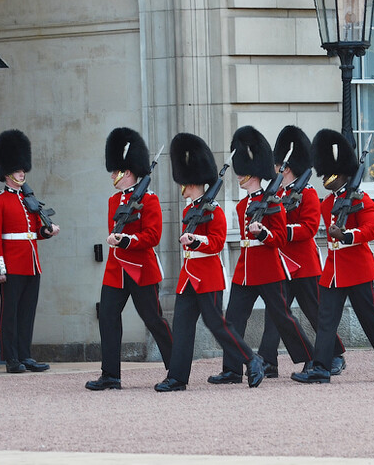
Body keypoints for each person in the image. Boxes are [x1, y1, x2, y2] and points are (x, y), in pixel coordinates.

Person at [154, 133, 264, 392]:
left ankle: (251, 358)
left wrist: (195, 240)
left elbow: (216, 242)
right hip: (188, 277)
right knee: (181, 326)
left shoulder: (213, 211)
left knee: (217, 324)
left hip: (208, 277)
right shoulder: (188, 210)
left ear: (191, 182)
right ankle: (177, 377)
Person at [207, 125, 314, 384]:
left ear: (250, 175)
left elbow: (278, 238)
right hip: (245, 270)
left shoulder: (273, 201)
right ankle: (232, 369)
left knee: (282, 318)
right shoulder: (244, 204)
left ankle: (311, 358)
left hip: (267, 267)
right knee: (232, 319)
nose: (238, 177)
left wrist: (263, 233)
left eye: (241, 174)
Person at [292, 129, 374, 384]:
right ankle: (321, 367)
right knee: (325, 319)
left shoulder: (362, 199)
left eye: (329, 173)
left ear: (342, 174)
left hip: (358, 268)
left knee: (369, 317)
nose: (326, 177)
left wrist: (346, 234)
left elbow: (371, 230)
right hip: (334, 271)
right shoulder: (327, 203)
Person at [86, 127, 173, 390]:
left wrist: (126, 241)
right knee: (109, 317)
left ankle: (177, 367)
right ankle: (111, 374)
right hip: (116, 269)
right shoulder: (114, 201)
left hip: (141, 269)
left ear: (129, 171)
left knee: (153, 319)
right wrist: (117, 240)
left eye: (117, 171)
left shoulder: (150, 200)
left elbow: (153, 236)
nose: (113, 175)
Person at [257, 125, 346, 378]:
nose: (275, 169)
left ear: (286, 166)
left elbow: (308, 228)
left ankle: (335, 354)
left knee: (316, 313)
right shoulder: (276, 193)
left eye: (278, 165)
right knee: (276, 313)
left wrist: (281, 230)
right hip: (281, 262)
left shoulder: (307, 193)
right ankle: (268, 360)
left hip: (303, 264)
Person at [0, 129, 60, 374]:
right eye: (18, 170)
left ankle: (26, 355)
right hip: (12, 265)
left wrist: (47, 232)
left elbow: (35, 231)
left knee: (27, 312)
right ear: (8, 173)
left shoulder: (29, 199)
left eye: (22, 169)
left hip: (31, 263)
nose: (22, 173)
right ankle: (12, 358)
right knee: (11, 314)